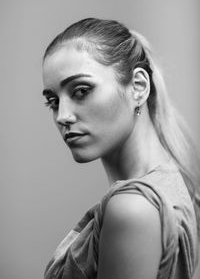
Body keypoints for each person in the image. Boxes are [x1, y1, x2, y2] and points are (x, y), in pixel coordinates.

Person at [42, 18, 200, 279]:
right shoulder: (172, 182)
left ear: (138, 86)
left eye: (81, 90)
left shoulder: (132, 208)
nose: (62, 116)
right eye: (53, 101)